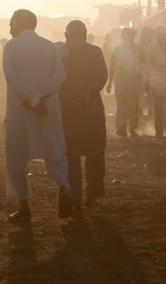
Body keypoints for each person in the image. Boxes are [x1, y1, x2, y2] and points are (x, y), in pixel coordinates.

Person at [3, 9, 72, 223]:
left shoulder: (11, 46)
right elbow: (60, 76)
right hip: (46, 107)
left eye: (12, 22)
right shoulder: (49, 46)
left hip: (20, 109)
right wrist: (40, 97)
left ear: (19, 23)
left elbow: (11, 78)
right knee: (54, 149)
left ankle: (24, 208)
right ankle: (63, 186)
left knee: (16, 156)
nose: (9, 27)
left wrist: (30, 100)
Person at [60, 20, 108, 214]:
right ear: (86, 34)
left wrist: (71, 98)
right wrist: (86, 96)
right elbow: (101, 78)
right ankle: (93, 197)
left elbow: (56, 79)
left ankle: (75, 198)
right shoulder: (95, 52)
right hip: (91, 109)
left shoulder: (61, 54)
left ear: (66, 36)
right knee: (95, 154)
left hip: (69, 109)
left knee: (70, 156)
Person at [106, 27, 145, 138]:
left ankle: (132, 127)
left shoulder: (139, 50)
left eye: (131, 35)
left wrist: (143, 80)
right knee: (121, 103)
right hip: (121, 80)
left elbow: (144, 66)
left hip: (135, 80)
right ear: (124, 37)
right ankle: (122, 126)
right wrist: (109, 83)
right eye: (127, 35)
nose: (129, 37)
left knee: (133, 104)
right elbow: (112, 67)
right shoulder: (118, 49)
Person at [0, 39, 8, 103]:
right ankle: (3, 95)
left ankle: (5, 96)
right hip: (2, 70)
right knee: (2, 83)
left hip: (6, 70)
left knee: (5, 84)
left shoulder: (7, 49)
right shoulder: (3, 50)